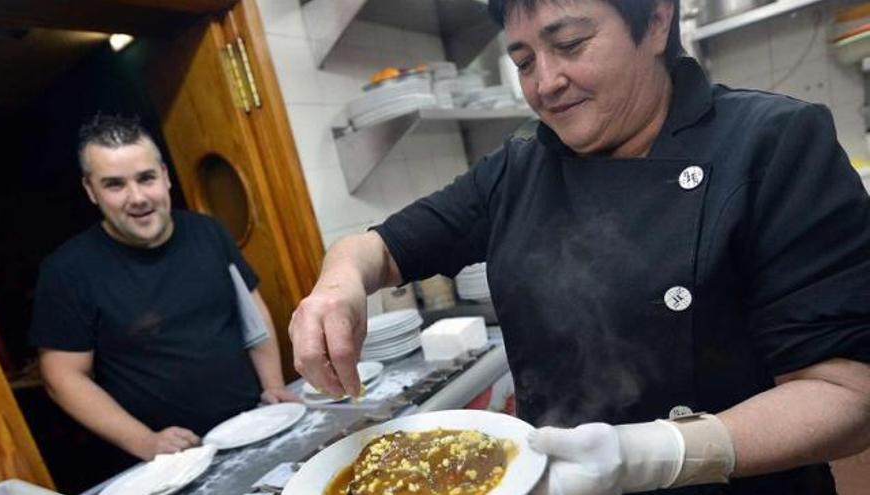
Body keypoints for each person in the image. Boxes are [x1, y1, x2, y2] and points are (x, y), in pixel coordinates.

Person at [289, 0, 870, 493]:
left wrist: (652, 454)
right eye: (522, 61)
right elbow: (381, 247)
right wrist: (336, 288)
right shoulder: (517, 167)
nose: (545, 82)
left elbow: (845, 396)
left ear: (657, 21)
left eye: (569, 43)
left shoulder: (772, 142)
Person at [29, 114, 299, 466]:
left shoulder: (209, 232)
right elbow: (62, 376)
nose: (137, 197)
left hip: (253, 426)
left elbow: (252, 312)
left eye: (146, 178)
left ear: (165, 177)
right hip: (170, 464)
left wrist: (273, 384)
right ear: (91, 191)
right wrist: (144, 441)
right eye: (115, 185)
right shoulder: (67, 271)